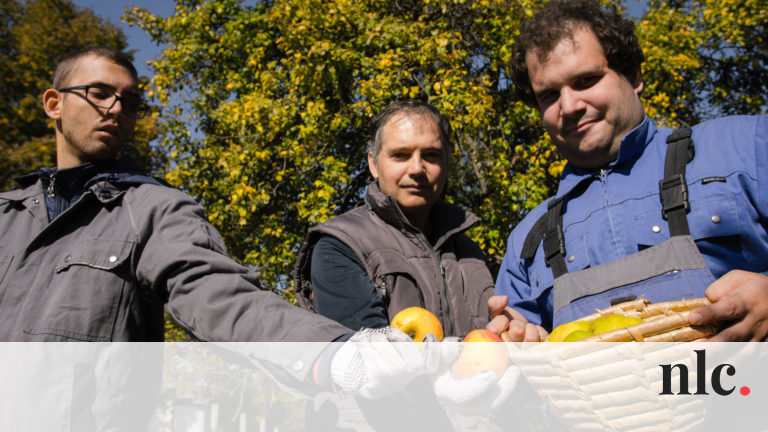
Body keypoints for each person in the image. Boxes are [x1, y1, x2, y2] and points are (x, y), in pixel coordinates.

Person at [0, 48, 438, 400]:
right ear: (54, 103)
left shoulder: (151, 208)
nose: (115, 108)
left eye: (130, 101)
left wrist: (329, 352)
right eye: (98, 93)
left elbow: (220, 294)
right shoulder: (7, 214)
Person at [490, 0, 768, 342]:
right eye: (549, 95)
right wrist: (514, 341)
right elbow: (518, 368)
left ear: (633, 76)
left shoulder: (747, 147)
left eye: (586, 80)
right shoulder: (526, 241)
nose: (569, 106)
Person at [294, 100, 495, 338]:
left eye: (431, 155)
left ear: (446, 163)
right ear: (374, 164)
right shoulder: (340, 246)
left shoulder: (472, 253)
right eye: (401, 155)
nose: (417, 168)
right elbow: (368, 361)